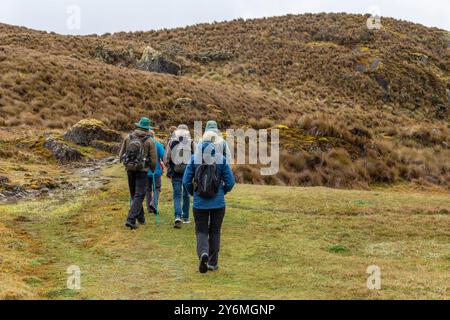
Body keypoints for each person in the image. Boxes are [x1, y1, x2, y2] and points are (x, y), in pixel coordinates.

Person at [183, 135, 235, 273]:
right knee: (215, 231)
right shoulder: (221, 159)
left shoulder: (194, 159)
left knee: (201, 230)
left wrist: (194, 193)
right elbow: (230, 182)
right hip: (218, 204)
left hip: (199, 203)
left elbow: (186, 180)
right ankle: (212, 263)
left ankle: (203, 253)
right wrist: (222, 191)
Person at [119, 117, 157, 230]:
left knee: (134, 194)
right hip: (142, 170)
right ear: (147, 128)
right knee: (139, 195)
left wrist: (125, 163)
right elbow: (154, 159)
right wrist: (153, 168)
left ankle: (141, 218)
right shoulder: (150, 141)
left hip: (129, 169)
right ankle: (131, 219)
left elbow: (121, 153)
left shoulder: (128, 137)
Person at [164, 124, 195, 229]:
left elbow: (166, 159)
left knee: (177, 195)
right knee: (186, 195)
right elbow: (195, 157)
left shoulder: (172, 141)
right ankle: (186, 217)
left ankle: (177, 216)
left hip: (175, 172)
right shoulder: (191, 142)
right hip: (188, 173)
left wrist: (170, 167)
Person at [146, 130, 165, 217]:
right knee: (157, 188)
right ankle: (153, 204)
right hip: (156, 170)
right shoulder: (157, 144)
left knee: (148, 189)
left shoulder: (144, 143)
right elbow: (163, 155)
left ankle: (149, 208)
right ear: (153, 135)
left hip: (145, 170)